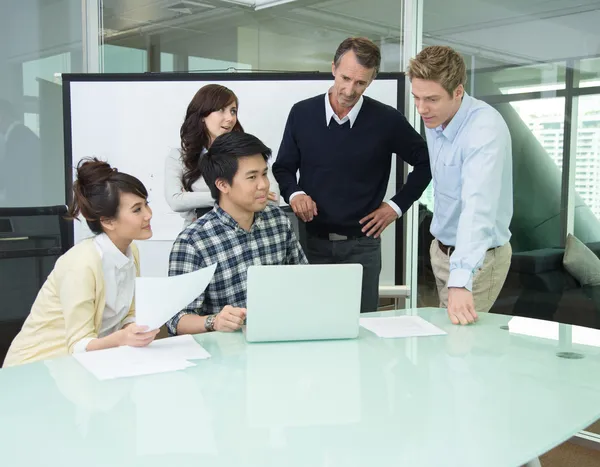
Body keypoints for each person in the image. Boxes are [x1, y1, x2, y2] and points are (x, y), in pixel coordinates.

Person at [273, 37, 431, 313]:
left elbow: (428, 162)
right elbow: (283, 167)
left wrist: (396, 206)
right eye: (345, 78)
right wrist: (295, 193)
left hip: (362, 248)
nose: (349, 90)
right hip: (309, 243)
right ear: (333, 68)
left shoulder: (387, 120)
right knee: (309, 322)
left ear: (371, 81)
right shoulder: (302, 113)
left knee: (363, 327)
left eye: (361, 83)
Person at [3, 158, 159, 367]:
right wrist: (122, 338)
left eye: (146, 204)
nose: (148, 214)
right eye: (137, 209)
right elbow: (78, 345)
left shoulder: (131, 251)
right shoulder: (81, 263)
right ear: (107, 221)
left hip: (88, 366)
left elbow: (128, 314)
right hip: (39, 368)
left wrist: (134, 329)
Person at [406, 45, 513, 326]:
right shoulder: (436, 119)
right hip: (441, 251)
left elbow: (477, 208)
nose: (422, 109)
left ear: (458, 91)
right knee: (446, 345)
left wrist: (461, 278)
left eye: (431, 99)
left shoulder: (484, 130)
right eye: (416, 97)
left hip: (478, 261)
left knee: (462, 349)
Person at [167, 132, 307, 336]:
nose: (264, 184)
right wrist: (214, 321)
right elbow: (176, 320)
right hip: (224, 356)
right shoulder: (193, 242)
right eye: (252, 177)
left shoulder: (278, 221)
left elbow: (303, 281)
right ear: (222, 185)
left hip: (278, 340)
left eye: (264, 174)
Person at [164, 84, 276, 227]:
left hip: (249, 229)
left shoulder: (246, 151)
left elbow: (273, 197)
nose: (230, 118)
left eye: (233, 111)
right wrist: (236, 196)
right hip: (201, 232)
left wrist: (195, 199)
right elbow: (176, 201)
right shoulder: (179, 156)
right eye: (221, 110)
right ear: (202, 114)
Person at [0, 98, 43, 207]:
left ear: (3, 115)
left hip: (23, 206)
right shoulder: (19, 134)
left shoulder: (19, 137)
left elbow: (15, 176)